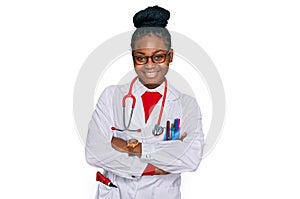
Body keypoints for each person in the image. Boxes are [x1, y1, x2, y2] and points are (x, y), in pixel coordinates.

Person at [85, 5, 204, 199]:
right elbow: (95, 152)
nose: (150, 65)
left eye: (158, 57)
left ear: (170, 56)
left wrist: (130, 147)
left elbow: (190, 159)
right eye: (141, 58)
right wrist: (160, 162)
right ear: (133, 58)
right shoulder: (111, 97)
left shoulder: (186, 105)